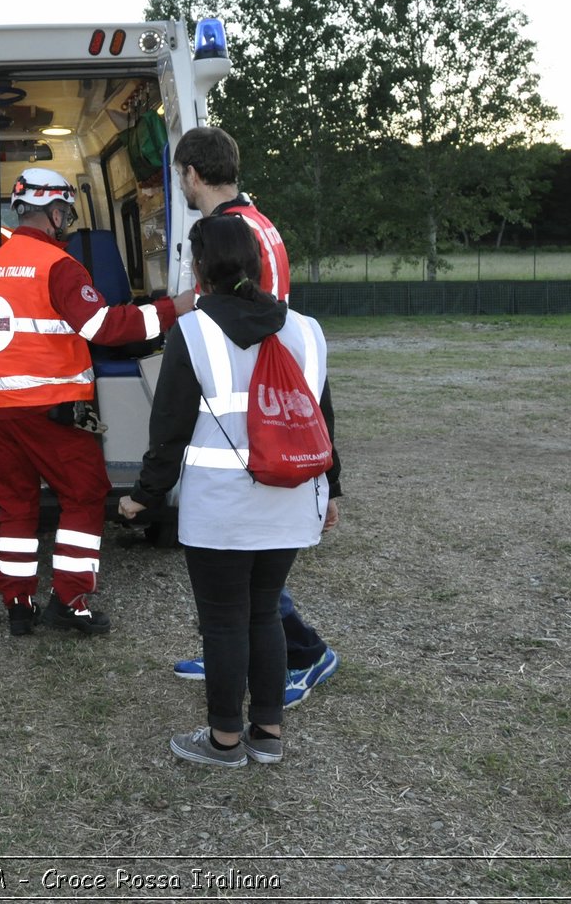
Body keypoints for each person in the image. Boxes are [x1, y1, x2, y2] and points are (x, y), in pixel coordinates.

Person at [118, 214, 341, 767]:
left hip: (221, 508)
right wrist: (331, 489)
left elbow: (168, 430)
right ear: (258, 264)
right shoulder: (307, 329)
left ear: (199, 270)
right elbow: (323, 421)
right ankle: (267, 734)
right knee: (263, 614)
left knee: (222, 621)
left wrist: (142, 497)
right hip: (292, 499)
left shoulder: (193, 331)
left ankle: (222, 740)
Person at [0, 167, 194, 638]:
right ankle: (69, 602)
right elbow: (106, 328)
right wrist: (177, 307)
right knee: (85, 495)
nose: (66, 223)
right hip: (52, 408)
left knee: (15, 504)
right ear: (53, 212)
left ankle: (18, 604)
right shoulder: (59, 266)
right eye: (64, 214)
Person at [168, 125, 340, 706]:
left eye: (179, 177)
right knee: (248, 579)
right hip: (269, 394)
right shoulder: (258, 224)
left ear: (192, 173)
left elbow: (251, 316)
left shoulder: (237, 232)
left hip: (259, 403)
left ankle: (303, 653)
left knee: (247, 574)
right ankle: (232, 652)